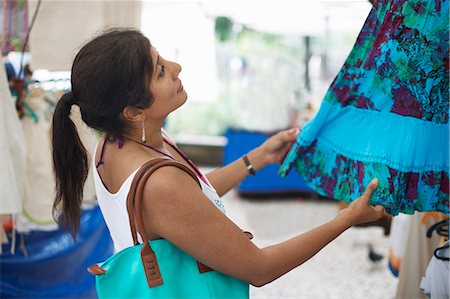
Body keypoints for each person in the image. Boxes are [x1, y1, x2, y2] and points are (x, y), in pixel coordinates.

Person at [51, 28, 386, 289]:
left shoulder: (116, 142)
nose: (176, 67)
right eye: (160, 71)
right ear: (134, 110)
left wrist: (256, 159)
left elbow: (191, 200)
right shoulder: (159, 182)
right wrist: (346, 219)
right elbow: (260, 268)